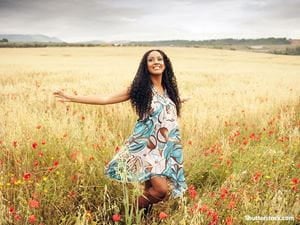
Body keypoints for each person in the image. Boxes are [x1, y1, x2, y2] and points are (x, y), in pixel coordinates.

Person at [53, 49, 190, 217]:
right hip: (147, 149)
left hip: (165, 148)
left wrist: (177, 100)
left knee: (150, 190)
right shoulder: (141, 88)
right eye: (151, 60)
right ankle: (123, 214)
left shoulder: (169, 90)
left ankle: (140, 219)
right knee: (161, 191)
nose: (156, 62)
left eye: (159, 59)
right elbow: (106, 99)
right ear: (145, 66)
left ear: (165, 63)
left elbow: (165, 109)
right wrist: (72, 97)